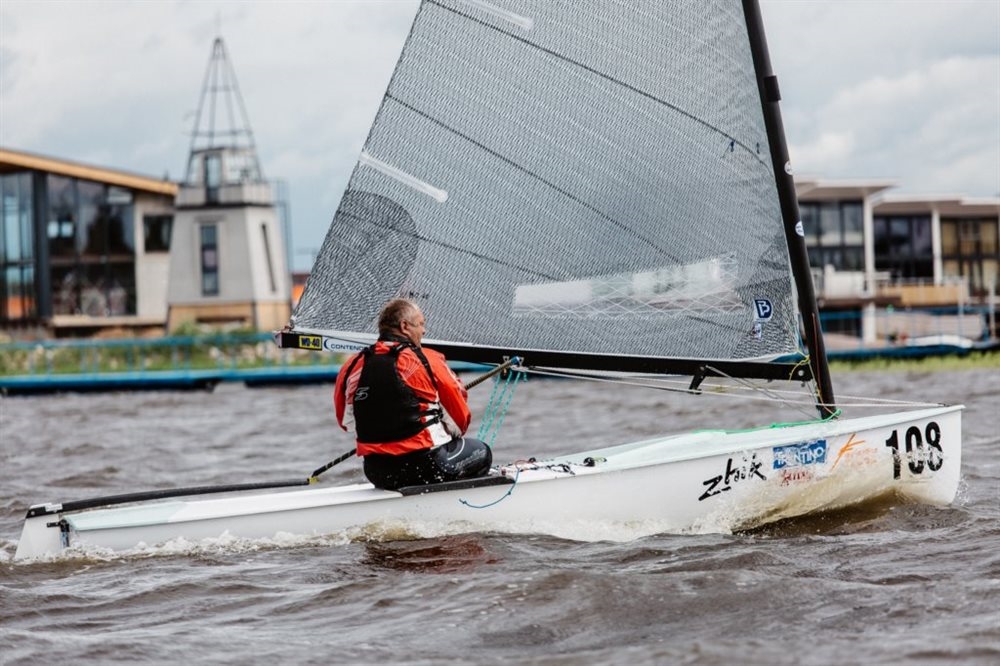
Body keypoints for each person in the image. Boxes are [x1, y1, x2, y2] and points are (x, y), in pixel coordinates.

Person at [334, 298, 493, 490]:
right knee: (481, 451)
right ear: (405, 326)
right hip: (426, 467)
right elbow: (460, 421)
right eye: (421, 324)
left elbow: (347, 423)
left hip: (377, 472)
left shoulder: (351, 366)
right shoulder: (428, 360)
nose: (424, 331)